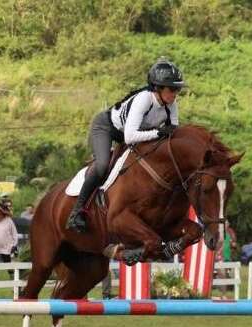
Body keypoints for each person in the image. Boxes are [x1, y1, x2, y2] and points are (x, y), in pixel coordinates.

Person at [66, 58, 185, 232]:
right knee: (102, 166)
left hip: (134, 134)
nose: (175, 93)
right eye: (172, 89)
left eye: (178, 89)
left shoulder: (171, 104)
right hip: (107, 128)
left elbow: (173, 131)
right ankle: (77, 211)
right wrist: (158, 133)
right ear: (158, 88)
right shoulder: (144, 99)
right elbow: (130, 137)